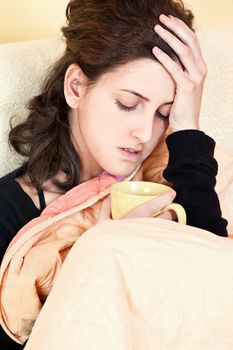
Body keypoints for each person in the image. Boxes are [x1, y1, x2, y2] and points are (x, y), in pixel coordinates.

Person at [0, 0, 228, 348]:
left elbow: (213, 286)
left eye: (163, 113)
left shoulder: (173, 174)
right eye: (128, 104)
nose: (145, 133)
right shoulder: (7, 213)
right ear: (76, 86)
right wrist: (98, 254)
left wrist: (186, 128)